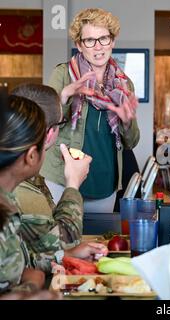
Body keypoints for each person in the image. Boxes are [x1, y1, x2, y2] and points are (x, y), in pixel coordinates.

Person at [0, 95, 107, 295]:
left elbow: (16, 260)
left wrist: (64, 256)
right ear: (32, 155)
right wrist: (32, 285)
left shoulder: (7, 200)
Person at [41, 8, 140, 213]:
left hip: (105, 180)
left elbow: (131, 141)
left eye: (103, 38)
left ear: (112, 41)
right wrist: (64, 98)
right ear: (79, 45)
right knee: (60, 238)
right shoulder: (63, 74)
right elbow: (44, 125)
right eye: (89, 40)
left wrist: (127, 122)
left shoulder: (125, 84)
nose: (98, 47)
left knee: (97, 242)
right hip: (62, 177)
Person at [11, 83, 91, 253]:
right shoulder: (18, 184)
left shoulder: (22, 168)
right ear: (49, 134)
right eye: (60, 124)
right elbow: (63, 242)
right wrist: (73, 183)